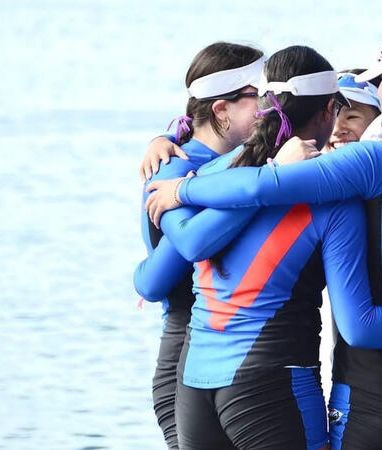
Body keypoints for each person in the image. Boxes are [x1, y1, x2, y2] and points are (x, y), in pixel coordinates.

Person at [145, 28, 382, 449]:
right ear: (330, 110)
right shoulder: (336, 200)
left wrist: (180, 182)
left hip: (193, 385)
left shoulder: (210, 173)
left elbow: (156, 273)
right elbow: (360, 323)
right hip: (276, 388)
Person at [132, 41, 265, 450]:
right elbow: (154, 282)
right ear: (221, 109)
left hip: (234, 357)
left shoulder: (249, 161)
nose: (271, 108)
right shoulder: (174, 166)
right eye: (260, 97)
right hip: (184, 359)